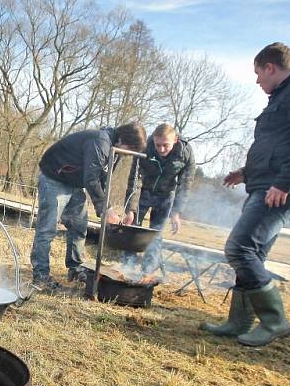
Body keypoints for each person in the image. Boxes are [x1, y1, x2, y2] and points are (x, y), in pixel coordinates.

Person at [201, 42, 290, 347]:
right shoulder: (285, 94)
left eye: (258, 73)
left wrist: (285, 183)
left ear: (270, 67)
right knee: (253, 253)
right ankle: (239, 322)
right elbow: (277, 145)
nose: (257, 80)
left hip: (285, 187)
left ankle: (275, 322)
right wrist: (246, 173)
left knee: (239, 248)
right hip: (268, 183)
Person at [30, 123, 147, 291]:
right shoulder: (100, 141)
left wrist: (110, 208)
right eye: (129, 149)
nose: (127, 155)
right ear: (122, 139)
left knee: (79, 226)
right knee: (47, 229)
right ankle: (40, 276)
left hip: (73, 182)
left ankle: (75, 268)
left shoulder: (115, 149)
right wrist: (105, 210)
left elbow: (103, 179)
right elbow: (91, 179)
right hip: (54, 178)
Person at [122, 124, 195, 282]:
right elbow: (134, 178)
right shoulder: (144, 147)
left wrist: (176, 212)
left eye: (165, 145)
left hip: (165, 196)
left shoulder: (186, 153)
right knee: (131, 229)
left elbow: (186, 184)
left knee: (155, 234)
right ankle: (126, 269)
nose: (161, 149)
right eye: (158, 145)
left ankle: (147, 273)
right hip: (143, 192)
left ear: (175, 140)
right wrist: (131, 209)